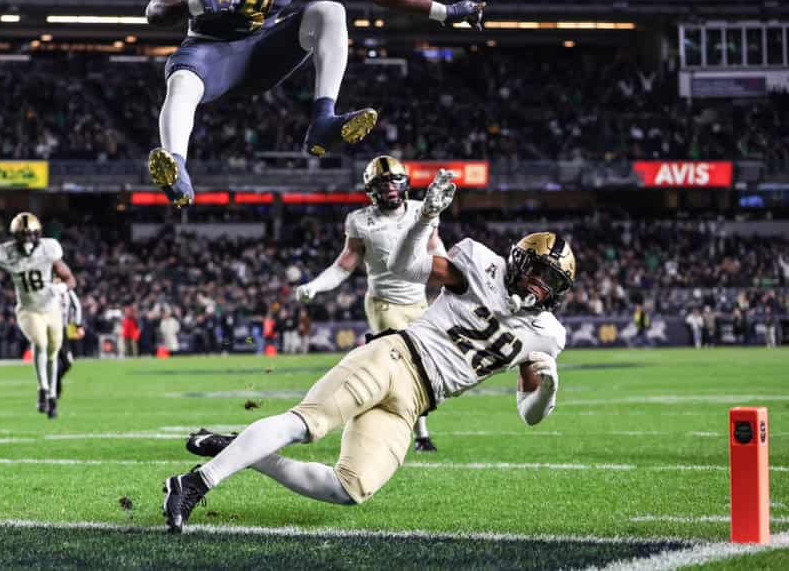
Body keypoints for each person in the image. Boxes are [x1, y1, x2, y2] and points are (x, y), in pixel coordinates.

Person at [163, 170, 575, 533]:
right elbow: (403, 267)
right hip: (395, 357)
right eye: (535, 271)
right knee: (307, 424)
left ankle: (239, 450)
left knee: (349, 488)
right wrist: (425, 219)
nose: (538, 285)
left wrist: (548, 390)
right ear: (518, 261)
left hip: (415, 403)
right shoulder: (481, 265)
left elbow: (530, 415)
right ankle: (194, 484)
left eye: (550, 281)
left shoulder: (546, 336)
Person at [144, 0, 486, 207]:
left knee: (330, 11)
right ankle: (177, 168)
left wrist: (445, 11)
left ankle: (324, 120)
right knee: (182, 80)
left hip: (264, 51)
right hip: (211, 53)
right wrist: (195, 4)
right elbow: (156, 11)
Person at [295, 155, 445, 452]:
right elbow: (345, 264)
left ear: (405, 184)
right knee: (408, 365)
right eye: (382, 183)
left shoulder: (422, 210)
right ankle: (419, 435)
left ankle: (412, 430)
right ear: (371, 189)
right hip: (384, 304)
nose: (389, 187)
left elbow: (435, 248)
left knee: (426, 366)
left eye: (394, 181)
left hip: (418, 300)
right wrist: (316, 285)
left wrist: (454, 277)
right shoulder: (360, 220)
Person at [0, 212, 77, 420]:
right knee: (39, 343)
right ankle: (42, 390)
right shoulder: (7, 253)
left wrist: (60, 289)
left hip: (51, 309)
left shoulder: (49, 249)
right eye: (23, 235)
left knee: (53, 353)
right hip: (28, 309)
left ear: (38, 234)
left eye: (31, 235)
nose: (28, 240)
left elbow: (70, 279)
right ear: (15, 236)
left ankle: (52, 396)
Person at [53, 281, 84, 399]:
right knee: (60, 360)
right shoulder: (50, 288)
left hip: (62, 328)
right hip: (53, 328)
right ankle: (54, 389)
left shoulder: (64, 289)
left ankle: (54, 384)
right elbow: (77, 306)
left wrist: (78, 325)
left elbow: (76, 306)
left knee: (66, 362)